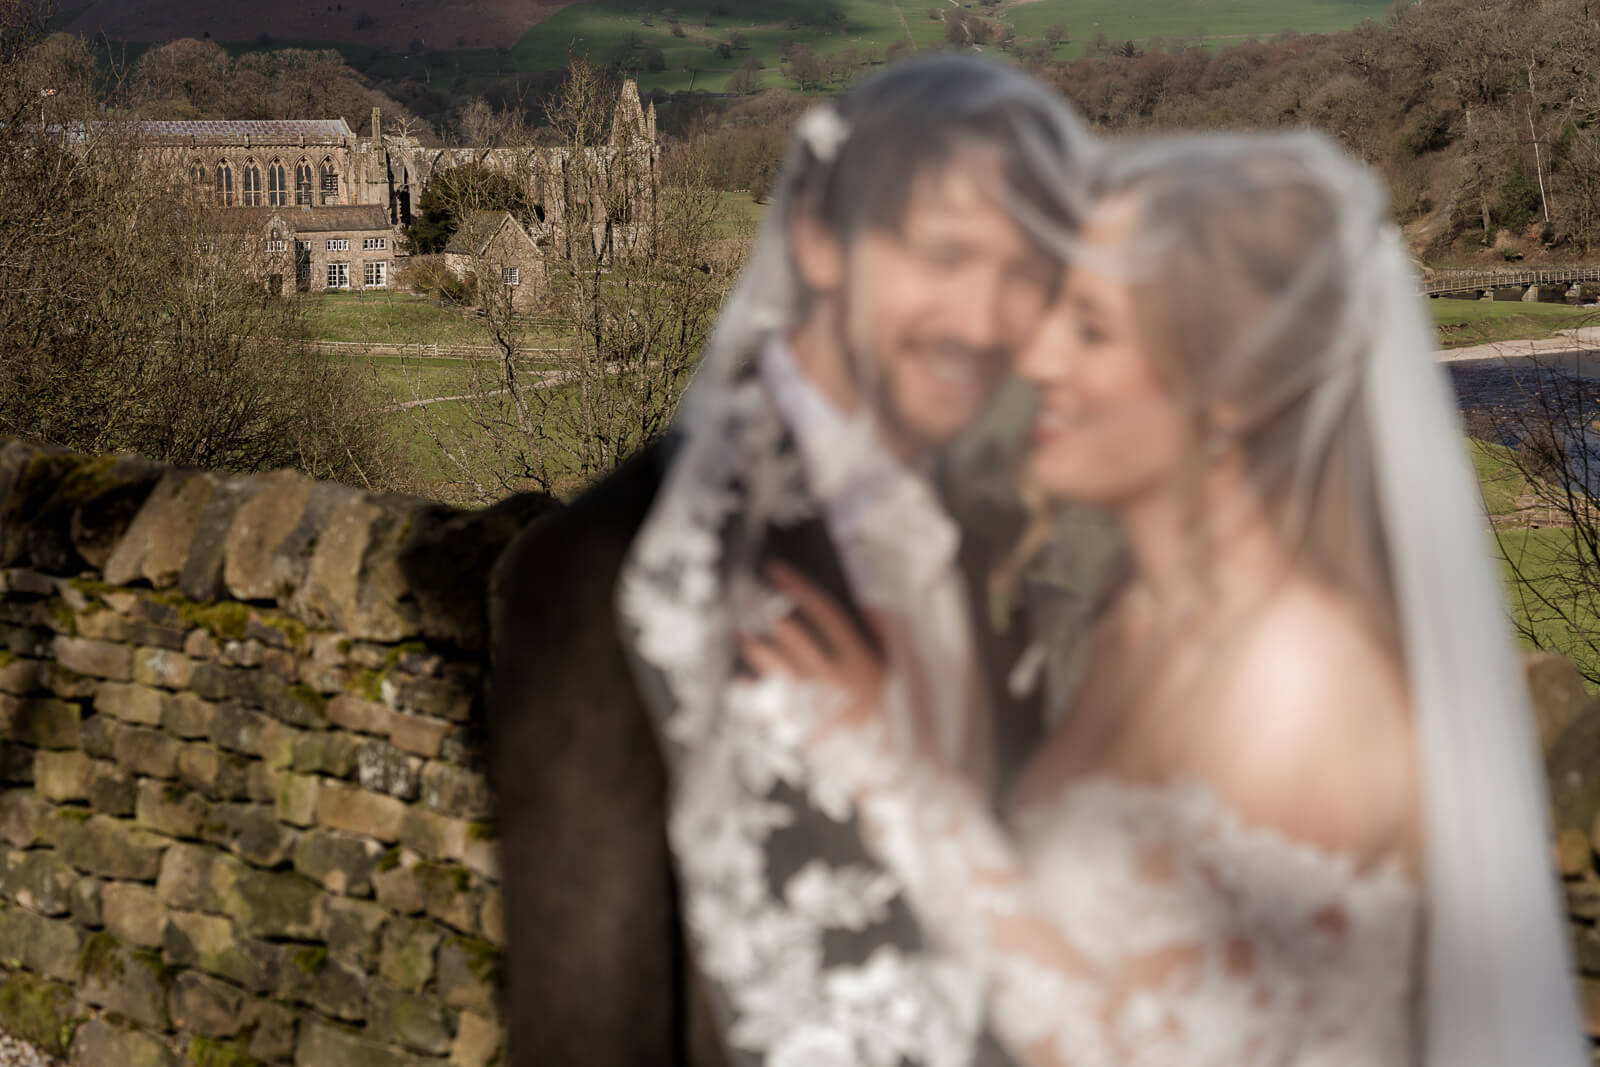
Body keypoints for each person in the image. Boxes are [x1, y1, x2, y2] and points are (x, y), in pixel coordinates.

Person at [646, 130, 1588, 1064]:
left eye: (1089, 327)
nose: (1037, 356)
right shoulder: (1130, 617)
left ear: (1231, 386)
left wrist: (900, 787)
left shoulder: (1303, 677)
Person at [488, 55, 1093, 1067]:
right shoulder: (601, 571)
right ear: (816, 240)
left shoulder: (1016, 534)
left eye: (1022, 270)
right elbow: (592, 1025)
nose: (984, 319)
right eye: (942, 255)